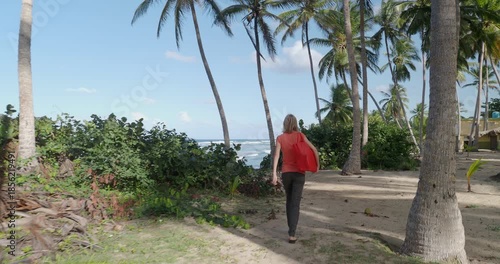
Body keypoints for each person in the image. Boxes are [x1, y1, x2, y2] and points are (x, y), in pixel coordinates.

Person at [272, 114, 319, 244]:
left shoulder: (280, 138)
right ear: (295, 123)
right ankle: (292, 233)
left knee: (289, 200)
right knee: (295, 203)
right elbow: (314, 149)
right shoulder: (300, 136)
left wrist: (274, 174)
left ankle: (290, 229)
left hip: (286, 173)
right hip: (299, 174)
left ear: (285, 124)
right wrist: (317, 165)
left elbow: (276, 156)